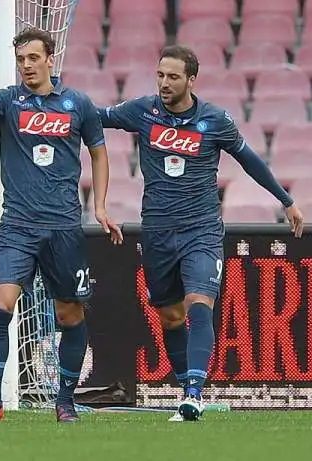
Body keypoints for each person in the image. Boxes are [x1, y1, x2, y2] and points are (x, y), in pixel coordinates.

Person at [97, 45, 305, 422]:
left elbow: (250, 161)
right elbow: (94, 118)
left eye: (173, 77)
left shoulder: (215, 120)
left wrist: (285, 200)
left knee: (198, 304)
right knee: (172, 317)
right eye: (160, 75)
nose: (164, 83)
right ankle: (186, 393)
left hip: (201, 230)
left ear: (191, 80)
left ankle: (193, 393)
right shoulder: (142, 111)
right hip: (158, 231)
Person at [0, 26, 123, 424]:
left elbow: (99, 154)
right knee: (1, 305)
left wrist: (99, 206)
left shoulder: (78, 104)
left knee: (70, 315)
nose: (27, 66)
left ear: (51, 58)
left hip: (64, 227)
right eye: (20, 60)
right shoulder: (10, 100)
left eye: (33, 58)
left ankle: (65, 401)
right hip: (17, 225)